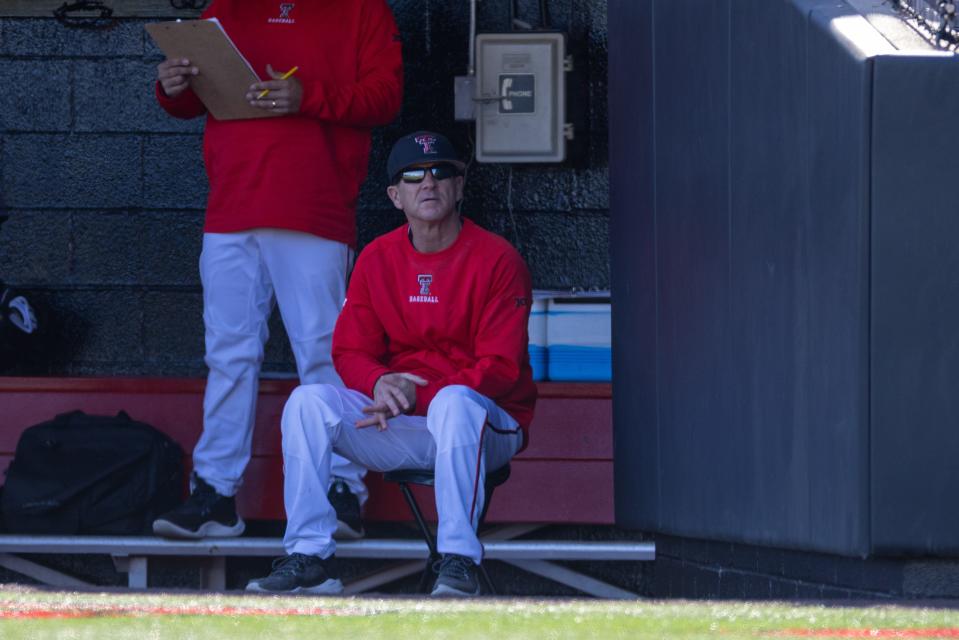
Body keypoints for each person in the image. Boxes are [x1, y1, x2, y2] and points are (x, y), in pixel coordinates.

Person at [149, 0, 403, 540]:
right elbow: (198, 98)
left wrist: (307, 96)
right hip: (231, 206)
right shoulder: (228, 6)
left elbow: (386, 97)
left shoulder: (361, 10)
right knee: (228, 353)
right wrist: (173, 87)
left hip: (313, 207)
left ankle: (340, 491)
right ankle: (216, 494)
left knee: (325, 353)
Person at [245, 131, 537, 596]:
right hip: (404, 423)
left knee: (456, 403)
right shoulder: (378, 258)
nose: (429, 183)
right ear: (394, 195)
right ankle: (310, 557)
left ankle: (458, 560)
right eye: (413, 175)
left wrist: (411, 394)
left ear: (460, 186)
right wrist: (380, 384)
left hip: (486, 424)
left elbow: (500, 367)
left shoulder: (499, 259)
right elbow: (348, 351)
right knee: (308, 402)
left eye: (442, 172)